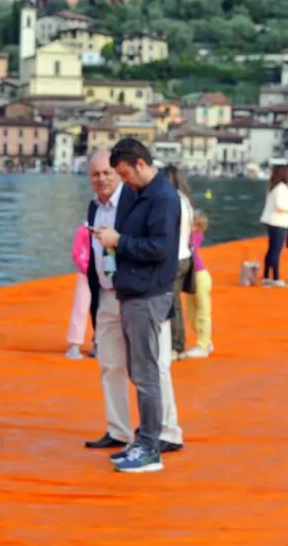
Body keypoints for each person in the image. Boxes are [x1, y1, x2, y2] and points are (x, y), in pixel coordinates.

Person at [83, 149, 184, 456]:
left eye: (108, 174)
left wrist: (118, 241)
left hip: (142, 293)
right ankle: (119, 429)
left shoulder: (142, 199)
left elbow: (160, 246)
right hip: (107, 292)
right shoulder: (93, 207)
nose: (101, 180)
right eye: (95, 175)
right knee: (111, 364)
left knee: (155, 366)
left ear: (121, 174)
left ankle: (166, 431)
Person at [162, 165, 194, 359]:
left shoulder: (171, 201)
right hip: (185, 256)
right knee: (176, 304)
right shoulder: (186, 200)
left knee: (170, 304)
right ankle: (178, 344)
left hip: (174, 258)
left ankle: (175, 346)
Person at [259, 164, 288, 287]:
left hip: (273, 221)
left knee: (272, 249)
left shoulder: (274, 187)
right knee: (276, 251)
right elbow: (280, 205)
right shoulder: (281, 188)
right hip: (278, 222)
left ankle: (267, 276)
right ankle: (275, 277)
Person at [184, 210, 214, 357]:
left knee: (202, 310)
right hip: (192, 276)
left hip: (200, 275)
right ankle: (205, 340)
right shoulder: (190, 236)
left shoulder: (194, 237)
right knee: (191, 312)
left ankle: (203, 344)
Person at [65, 223, 92, 360]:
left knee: (103, 310)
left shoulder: (108, 229)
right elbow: (76, 254)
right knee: (80, 309)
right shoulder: (82, 231)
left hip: (104, 274)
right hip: (86, 274)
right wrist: (87, 269)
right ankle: (74, 344)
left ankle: (100, 344)